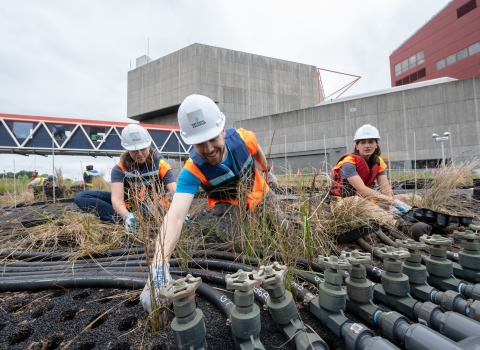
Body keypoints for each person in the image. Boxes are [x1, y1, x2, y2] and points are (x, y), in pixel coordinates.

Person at [140, 94, 284, 313]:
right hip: (229, 206)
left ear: (223, 130)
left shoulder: (244, 138)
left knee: (283, 230)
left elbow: (259, 154)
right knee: (234, 244)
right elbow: (175, 216)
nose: (208, 149)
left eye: (213, 139)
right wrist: (159, 264)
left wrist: (266, 172)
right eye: (200, 143)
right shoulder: (192, 169)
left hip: (260, 194)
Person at [329, 124, 431, 240]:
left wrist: (393, 203)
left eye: (371, 142)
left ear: (376, 144)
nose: (367, 145)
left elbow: (385, 189)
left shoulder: (379, 162)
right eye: (362, 142)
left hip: (366, 202)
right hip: (342, 205)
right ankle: (399, 226)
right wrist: (392, 201)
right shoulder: (348, 163)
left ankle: (431, 219)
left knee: (411, 198)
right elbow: (362, 190)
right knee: (358, 201)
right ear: (357, 146)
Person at [74, 124, 176, 231]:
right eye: (134, 151)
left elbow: (175, 192)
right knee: (81, 197)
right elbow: (117, 199)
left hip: (154, 205)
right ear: (128, 150)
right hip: (129, 205)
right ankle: (128, 219)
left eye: (143, 149)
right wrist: (126, 215)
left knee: (145, 210)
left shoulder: (161, 165)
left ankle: (131, 220)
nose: (139, 154)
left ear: (149, 145)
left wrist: (180, 213)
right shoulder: (119, 169)